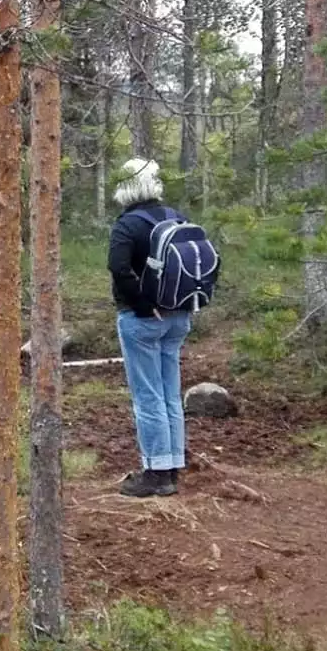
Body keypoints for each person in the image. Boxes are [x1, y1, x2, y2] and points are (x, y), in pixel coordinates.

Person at [108, 158, 191, 498]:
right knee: (170, 393)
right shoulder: (175, 217)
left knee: (148, 397)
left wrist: (143, 305)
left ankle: (155, 474)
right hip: (179, 317)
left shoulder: (127, 224)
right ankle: (171, 467)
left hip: (142, 320)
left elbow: (118, 267)